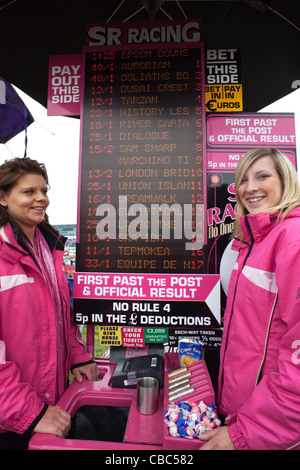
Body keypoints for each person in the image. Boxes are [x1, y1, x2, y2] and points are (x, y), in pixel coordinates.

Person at [199, 148, 300, 450]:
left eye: (262, 176)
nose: (250, 187)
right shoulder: (252, 241)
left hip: (270, 430)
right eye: (242, 180)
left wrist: (246, 432)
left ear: (286, 181)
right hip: (245, 414)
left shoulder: (292, 240)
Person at [0, 157, 99, 450]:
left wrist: (78, 355)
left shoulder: (47, 247)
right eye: (28, 192)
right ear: (3, 198)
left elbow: (60, 314)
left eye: (44, 190)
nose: (41, 198)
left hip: (50, 405)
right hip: (12, 420)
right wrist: (29, 413)